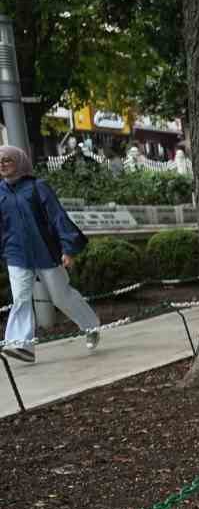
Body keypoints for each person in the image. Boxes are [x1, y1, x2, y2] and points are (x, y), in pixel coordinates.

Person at [0, 146, 100, 363]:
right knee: (20, 298)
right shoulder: (0, 192)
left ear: (19, 161)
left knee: (61, 296)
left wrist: (68, 248)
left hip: (46, 251)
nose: (2, 164)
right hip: (16, 254)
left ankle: (90, 326)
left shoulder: (38, 187)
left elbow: (58, 218)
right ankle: (20, 345)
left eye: (7, 160)